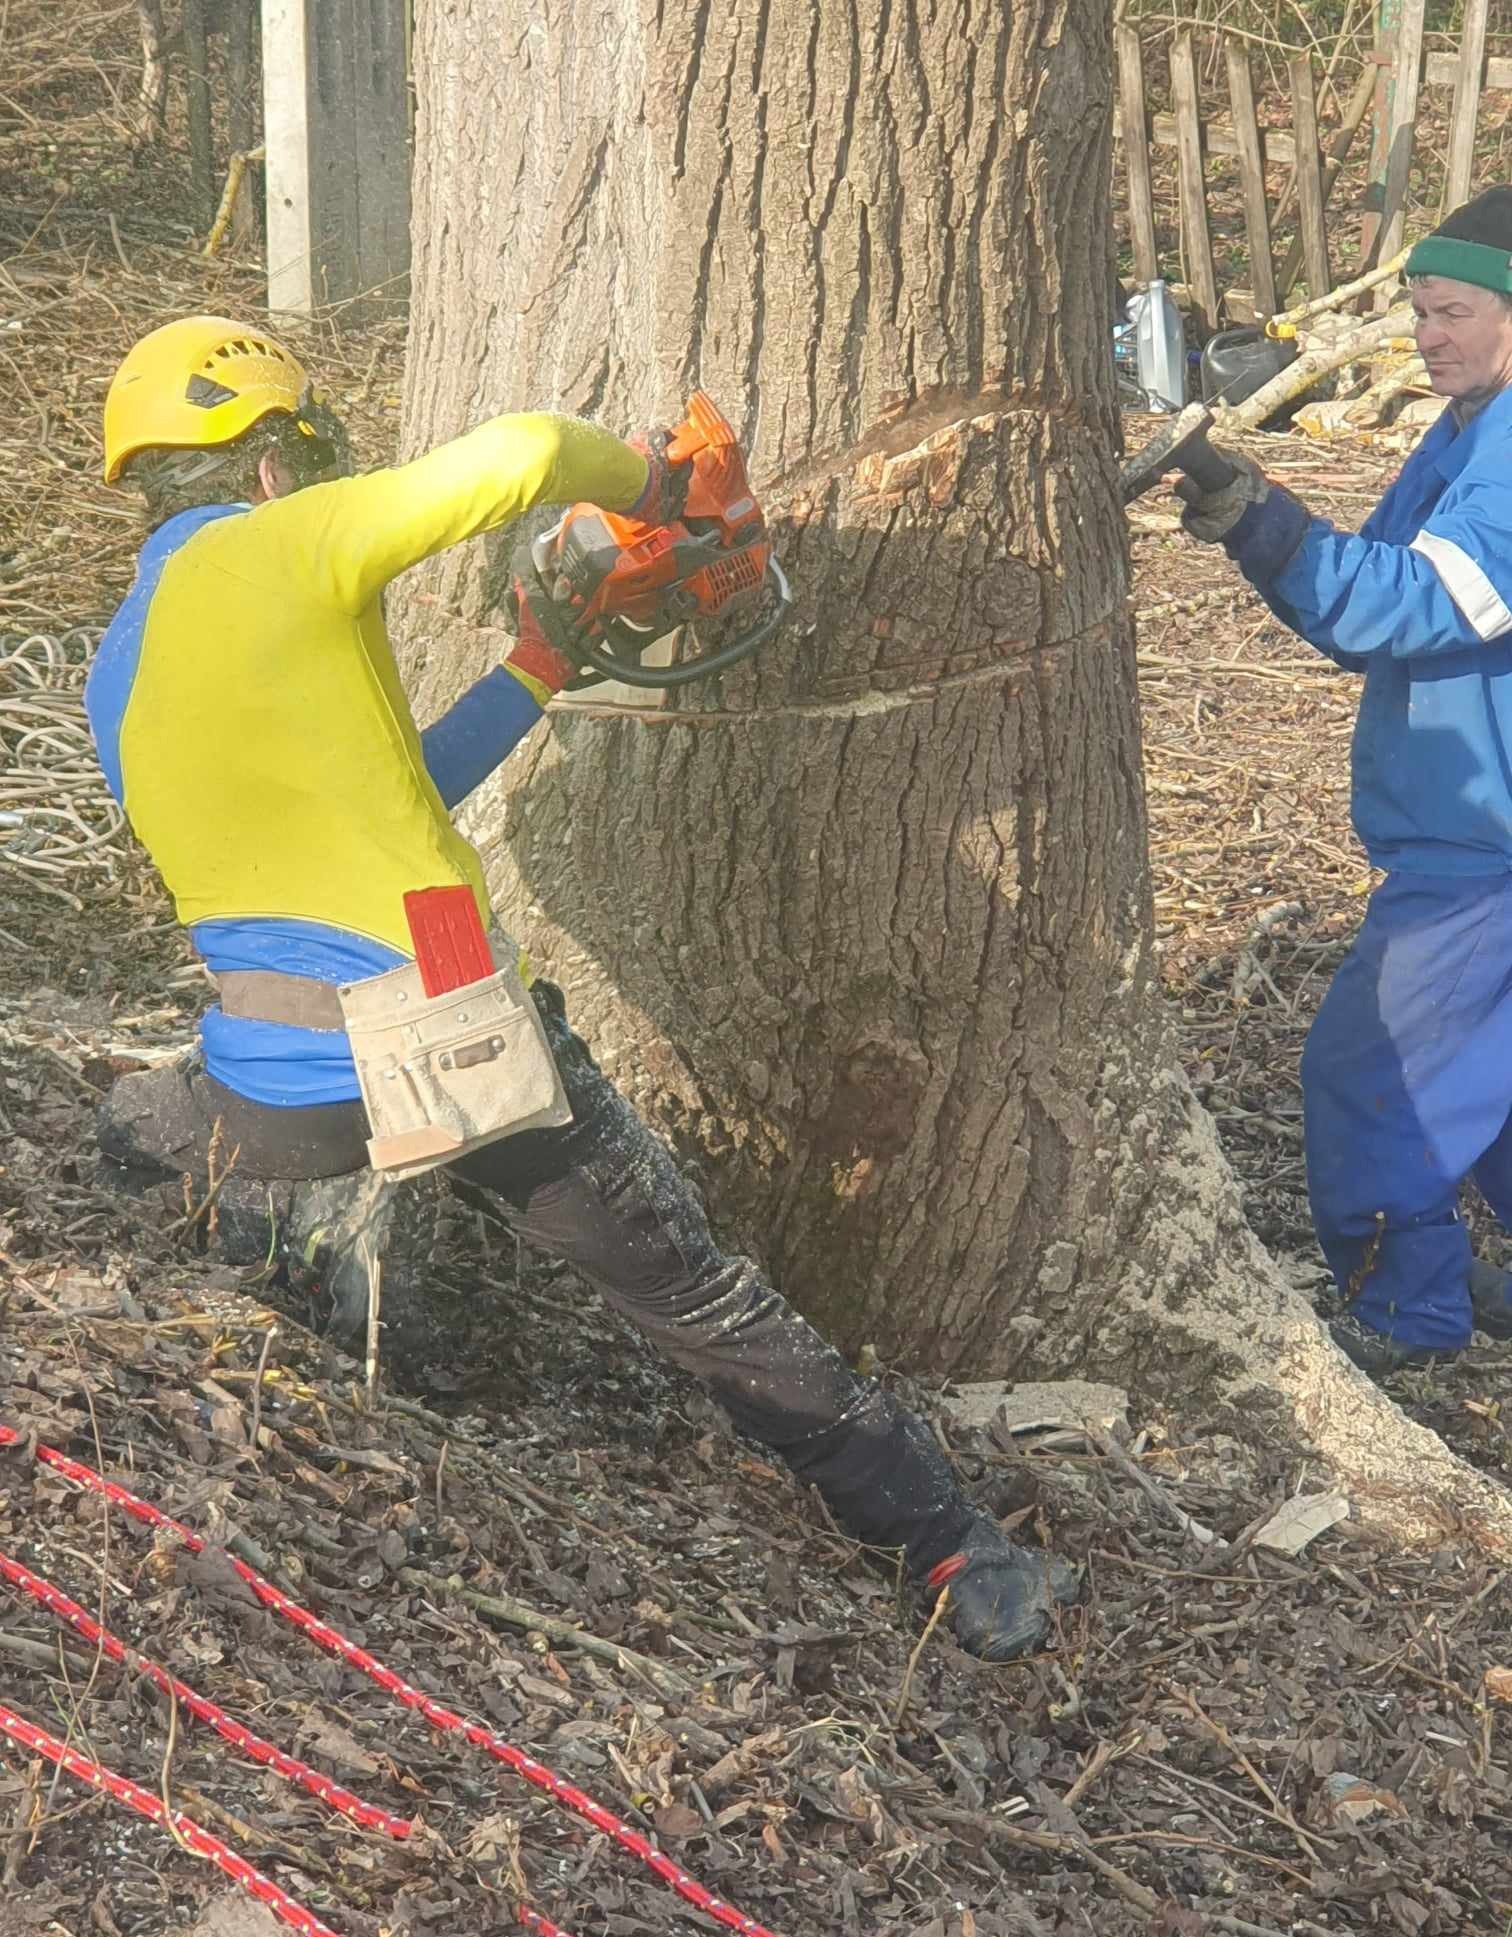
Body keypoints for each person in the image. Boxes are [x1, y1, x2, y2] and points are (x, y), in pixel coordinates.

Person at [85, 315, 1078, 1659]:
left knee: (134, 1131)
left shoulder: (115, 673)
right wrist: (653, 493)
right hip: (459, 1047)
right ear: (270, 463)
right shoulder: (285, 545)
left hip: (277, 1091)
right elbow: (530, 449)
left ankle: (302, 1301)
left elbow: (390, 793)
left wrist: (540, 665)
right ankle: (948, 1542)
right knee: (696, 1301)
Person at [1175, 187, 1512, 1380]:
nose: (1428, 337)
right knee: (1492, 1088)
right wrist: (1258, 521)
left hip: (1482, 841)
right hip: (1471, 821)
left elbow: (1412, 602)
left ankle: (1409, 1332)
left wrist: (1258, 519)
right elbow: (1366, 595)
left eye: (1454, 311)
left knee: (1373, 1080)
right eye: (1421, 312)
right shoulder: (1468, 423)